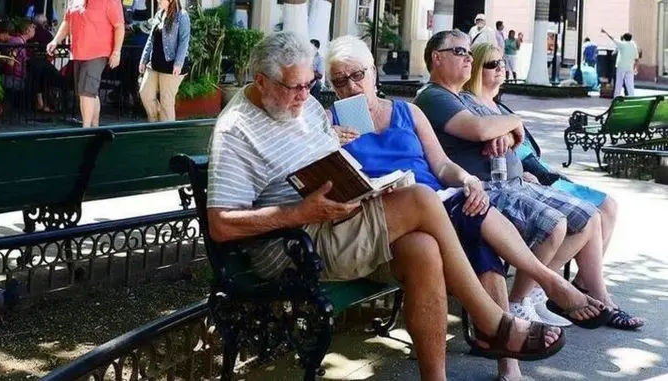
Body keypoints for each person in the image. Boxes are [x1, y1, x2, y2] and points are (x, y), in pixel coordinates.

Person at [208, 31, 565, 381]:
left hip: (336, 221)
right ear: (261, 81)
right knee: (422, 199)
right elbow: (221, 225)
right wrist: (301, 213)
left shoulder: (308, 106)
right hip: (294, 244)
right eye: (295, 87)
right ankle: (493, 323)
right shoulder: (237, 132)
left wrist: (358, 181)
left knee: (423, 249)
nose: (306, 96)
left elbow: (320, 157)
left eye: (311, 83)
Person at [326, 35, 605, 381]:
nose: (351, 87)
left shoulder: (407, 111)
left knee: (471, 212)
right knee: (467, 224)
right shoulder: (329, 123)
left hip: (441, 202)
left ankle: (508, 355)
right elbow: (332, 188)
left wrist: (468, 180)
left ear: (373, 73)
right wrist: (327, 143)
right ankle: (532, 304)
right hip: (392, 219)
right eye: (339, 81)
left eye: (357, 75)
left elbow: (442, 166)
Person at [419, 36, 642, 331]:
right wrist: (515, 123)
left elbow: (498, 133)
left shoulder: (459, 98)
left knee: (588, 218)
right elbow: (481, 129)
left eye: (472, 54)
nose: (469, 59)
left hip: (513, 183)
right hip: (485, 189)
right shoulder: (436, 96)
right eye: (461, 52)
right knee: (556, 225)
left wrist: (510, 129)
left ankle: (535, 295)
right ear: (436, 57)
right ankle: (522, 302)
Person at [46, 0, 125, 127]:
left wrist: (117, 52)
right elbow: (67, 22)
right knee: (88, 92)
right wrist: (55, 40)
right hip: (78, 52)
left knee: (86, 91)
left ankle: (86, 129)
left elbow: (119, 26)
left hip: (98, 52)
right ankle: (95, 126)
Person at [138, 0, 190, 122]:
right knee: (145, 93)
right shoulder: (159, 14)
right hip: (154, 64)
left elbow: (184, 41)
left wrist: (178, 63)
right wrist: (143, 59)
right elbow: (151, 39)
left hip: (171, 66)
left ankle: (167, 133)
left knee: (166, 102)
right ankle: (155, 124)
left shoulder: (182, 16)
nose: (158, 1)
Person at [601, 29, 639, 97]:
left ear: (624, 38)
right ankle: (632, 97)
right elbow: (636, 59)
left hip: (621, 67)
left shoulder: (622, 44)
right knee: (630, 84)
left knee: (619, 83)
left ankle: (616, 96)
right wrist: (636, 68)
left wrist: (606, 32)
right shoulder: (634, 46)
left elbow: (612, 38)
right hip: (630, 67)